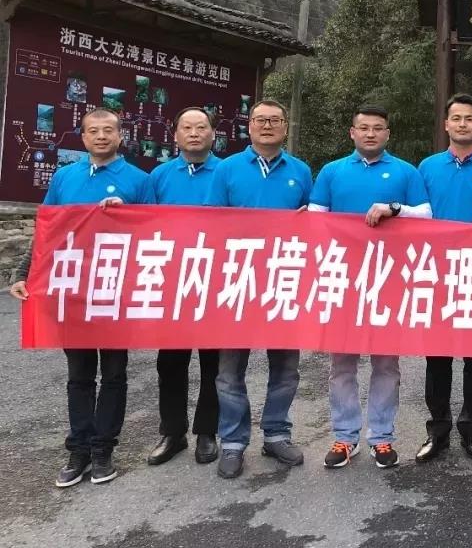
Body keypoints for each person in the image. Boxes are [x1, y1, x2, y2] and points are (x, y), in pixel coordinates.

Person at [10, 108, 153, 487]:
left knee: (115, 373)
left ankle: (104, 449)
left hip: (116, 290)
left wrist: (128, 215)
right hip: (72, 291)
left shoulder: (139, 180)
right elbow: (48, 231)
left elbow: (155, 234)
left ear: (120, 136)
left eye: (108, 130)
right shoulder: (64, 177)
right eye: (94, 131)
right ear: (84, 137)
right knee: (79, 374)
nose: (101, 136)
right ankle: (79, 449)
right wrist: (22, 273)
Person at [309, 105, 431, 471]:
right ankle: (345, 437)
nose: (371, 133)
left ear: (387, 133)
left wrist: (395, 209)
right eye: (364, 128)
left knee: (386, 364)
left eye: (378, 128)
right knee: (341, 364)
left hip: (389, 280)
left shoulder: (406, 172)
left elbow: (426, 215)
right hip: (343, 279)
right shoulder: (332, 171)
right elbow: (315, 219)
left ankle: (382, 437)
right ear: (352, 132)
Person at [204, 100, 313, 479]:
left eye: (275, 120)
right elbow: (212, 222)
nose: (267, 126)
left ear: (285, 126)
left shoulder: (300, 171)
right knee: (229, 370)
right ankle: (233, 442)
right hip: (237, 282)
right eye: (260, 120)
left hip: (284, 281)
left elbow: (316, 224)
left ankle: (276, 434)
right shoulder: (227, 169)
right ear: (249, 126)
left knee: (286, 367)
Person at [415, 93, 472, 462]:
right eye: (456, 118)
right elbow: (415, 217)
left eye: (470, 119)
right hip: (436, 274)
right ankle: (437, 431)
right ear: (446, 124)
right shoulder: (427, 167)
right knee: (437, 358)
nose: (462, 124)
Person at [145, 107, 222, 467]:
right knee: (170, 362)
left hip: (216, 280)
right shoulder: (159, 176)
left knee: (214, 363)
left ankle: (207, 431)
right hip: (172, 282)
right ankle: (172, 432)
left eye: (201, 127)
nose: (194, 133)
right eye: (186, 127)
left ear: (213, 134)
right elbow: (144, 225)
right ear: (175, 134)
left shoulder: (227, 172)